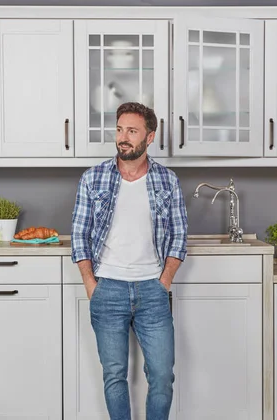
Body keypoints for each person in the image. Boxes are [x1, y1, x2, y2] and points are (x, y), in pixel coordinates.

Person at [71, 102, 188, 420]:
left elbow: (179, 237)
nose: (123, 137)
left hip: (152, 291)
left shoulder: (167, 181)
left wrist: (163, 283)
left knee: (163, 377)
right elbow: (79, 235)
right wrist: (91, 285)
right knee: (114, 378)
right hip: (107, 289)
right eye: (120, 129)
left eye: (132, 131)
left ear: (150, 137)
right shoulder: (93, 179)